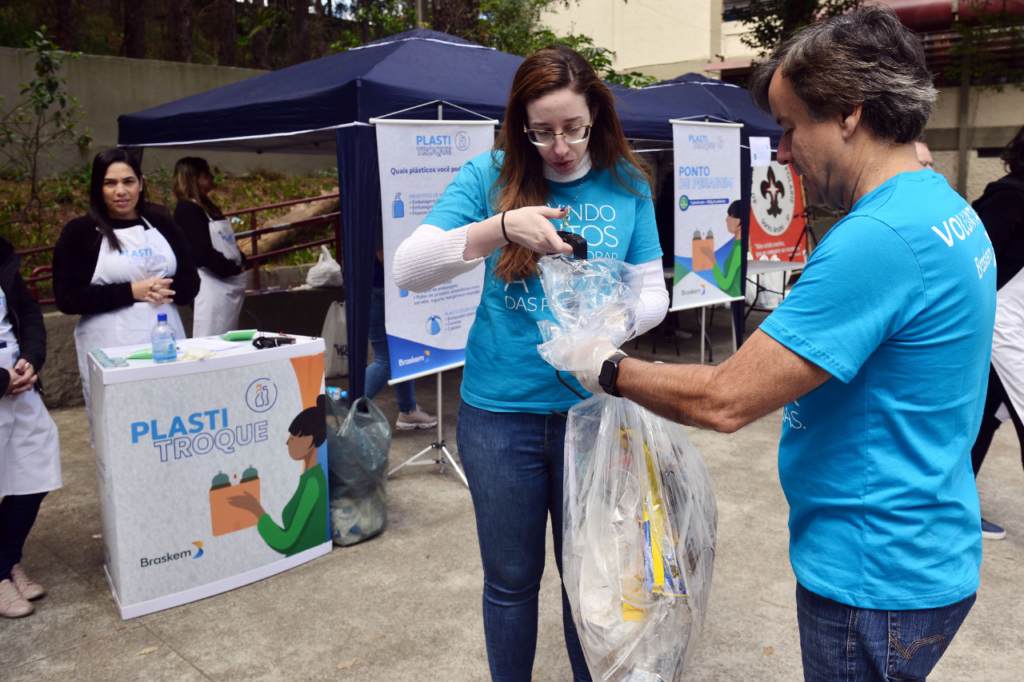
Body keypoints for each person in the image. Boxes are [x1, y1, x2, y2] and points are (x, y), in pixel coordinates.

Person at [569, 9, 993, 682]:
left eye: (792, 126)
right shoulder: (943, 208)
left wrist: (609, 368)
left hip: (870, 575)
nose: (786, 151)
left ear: (850, 115)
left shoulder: (878, 240)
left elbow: (726, 400)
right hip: (926, 547)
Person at [392, 45, 668, 682]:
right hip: (500, 416)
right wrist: (504, 226)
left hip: (591, 414)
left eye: (573, 127)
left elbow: (655, 291)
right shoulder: (489, 175)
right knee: (512, 583)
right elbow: (411, 268)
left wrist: (610, 327)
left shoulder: (628, 182)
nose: (560, 146)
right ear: (519, 124)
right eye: (541, 131)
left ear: (596, 114)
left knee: (589, 583)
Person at [54, 149, 201, 432]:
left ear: (141, 183)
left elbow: (190, 284)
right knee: (122, 428)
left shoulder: (163, 225)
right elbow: (67, 297)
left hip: (167, 341)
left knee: (173, 420)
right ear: (98, 187)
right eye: (110, 183)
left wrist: (165, 288)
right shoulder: (80, 232)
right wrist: (131, 292)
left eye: (128, 181)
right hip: (110, 347)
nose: (120, 191)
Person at [0, 236, 61, 618]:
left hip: (19, 384)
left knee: (34, 471)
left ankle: (6, 559)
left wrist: (30, 358)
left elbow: (28, 311)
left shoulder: (2, 253)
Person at [969, 124, 1024, 541]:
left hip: (1009, 327)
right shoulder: (1011, 197)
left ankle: (958, 502)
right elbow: (975, 262)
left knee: (984, 417)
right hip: (997, 327)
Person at [227, 396, 329, 557]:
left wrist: (256, 510)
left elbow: (286, 542)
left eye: (293, 437)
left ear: (310, 440)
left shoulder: (313, 484)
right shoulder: (310, 479)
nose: (288, 443)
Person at [366, 223, 437, 429]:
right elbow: (384, 257)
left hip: (384, 291)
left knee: (402, 354)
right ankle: (348, 409)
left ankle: (409, 411)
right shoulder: (380, 205)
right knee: (387, 359)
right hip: (382, 291)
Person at [172, 157, 247, 338]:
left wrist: (241, 259)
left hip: (223, 279)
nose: (213, 178)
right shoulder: (187, 209)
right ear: (196, 178)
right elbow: (200, 252)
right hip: (210, 280)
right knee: (211, 340)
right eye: (207, 174)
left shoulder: (203, 207)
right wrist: (233, 269)